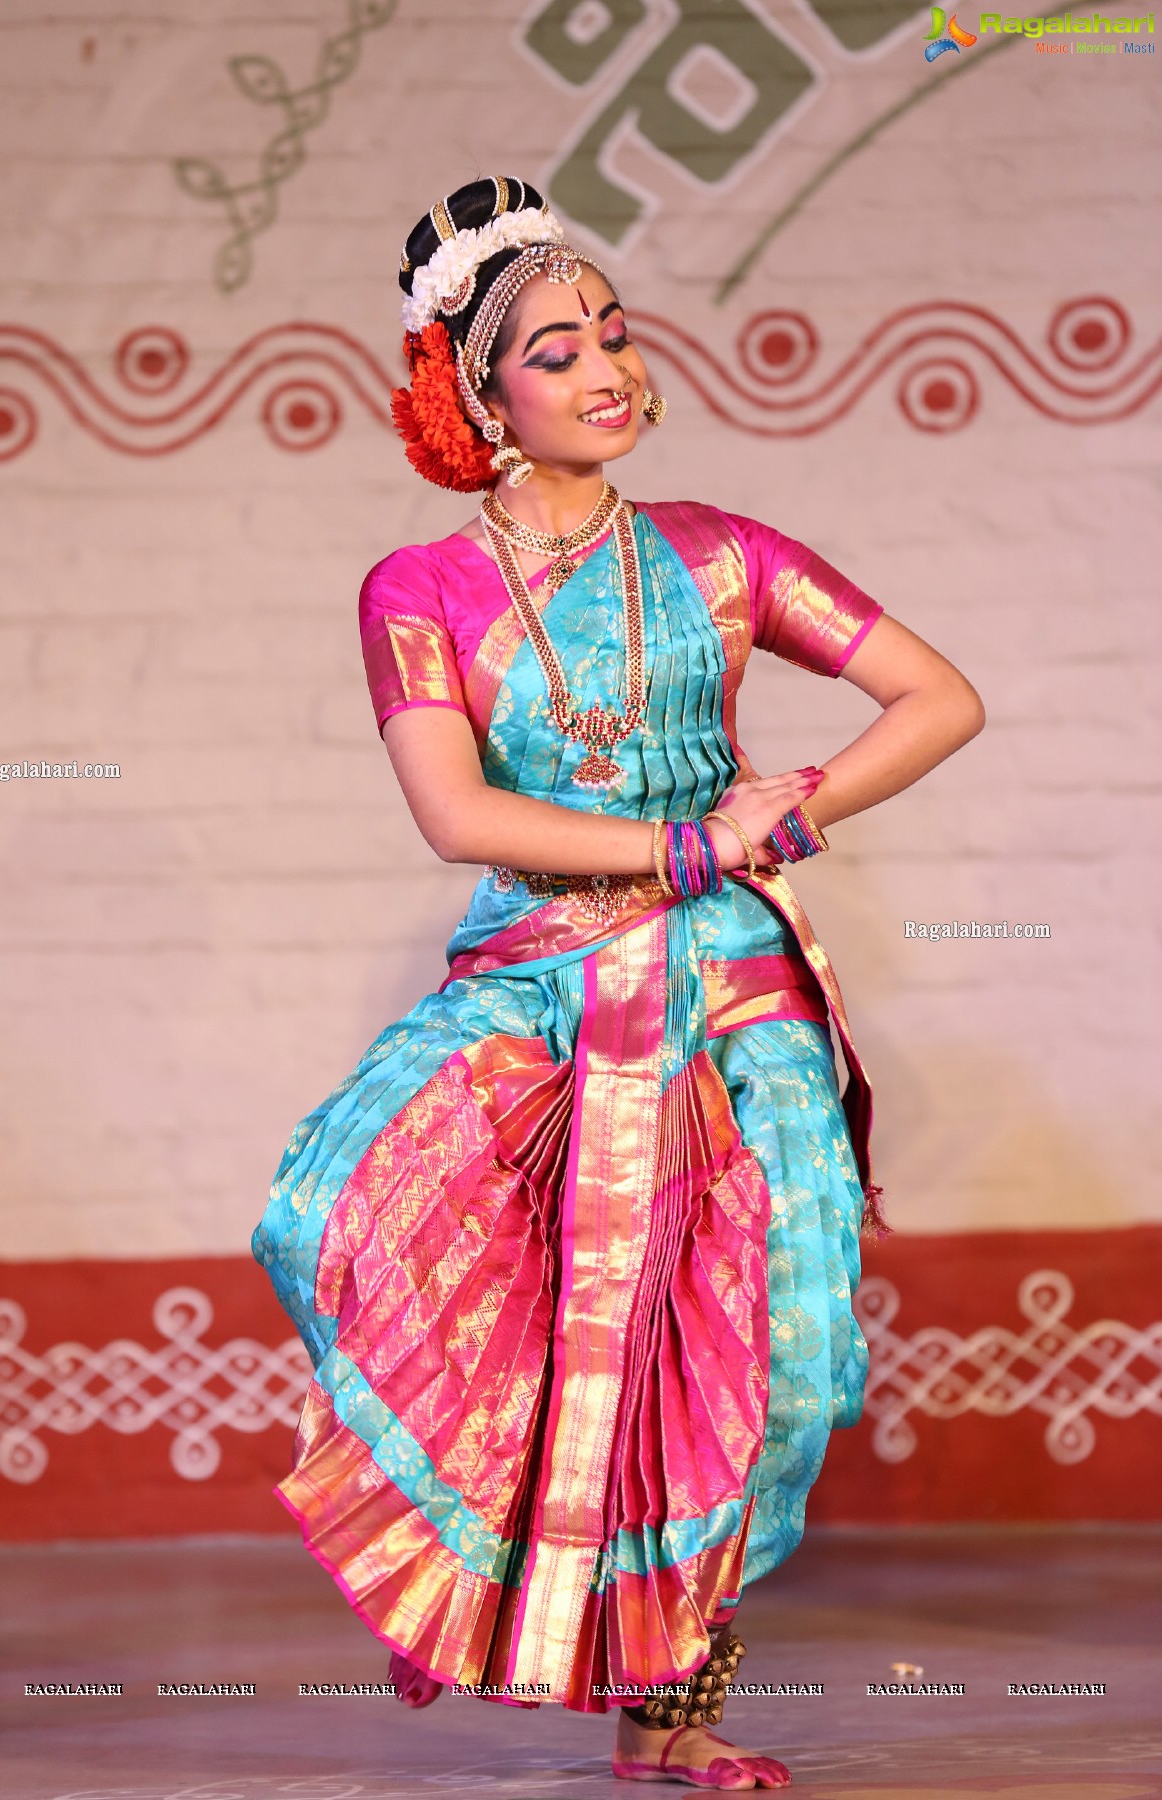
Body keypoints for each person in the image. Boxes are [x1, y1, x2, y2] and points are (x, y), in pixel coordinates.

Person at [252, 176, 984, 1790]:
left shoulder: (722, 558)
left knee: (775, 1351)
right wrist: (684, 847)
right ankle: (469, 1551)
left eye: (619, 336)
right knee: (333, 1212)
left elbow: (938, 699)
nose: (608, 373)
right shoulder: (421, 592)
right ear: (475, 394)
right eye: (557, 350)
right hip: (538, 977)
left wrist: (785, 813)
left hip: (732, 991)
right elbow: (457, 815)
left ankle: (681, 1709)